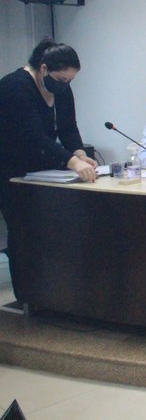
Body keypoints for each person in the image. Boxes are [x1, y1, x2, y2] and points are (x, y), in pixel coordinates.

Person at [0, 39, 97, 296]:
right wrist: (72, 162)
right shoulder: (14, 87)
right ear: (43, 69)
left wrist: (79, 153)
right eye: (62, 79)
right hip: (11, 170)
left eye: (70, 80)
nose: (66, 85)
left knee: (51, 231)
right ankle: (28, 296)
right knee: (23, 233)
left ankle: (55, 294)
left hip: (44, 169)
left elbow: (68, 127)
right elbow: (33, 136)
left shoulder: (61, 88)